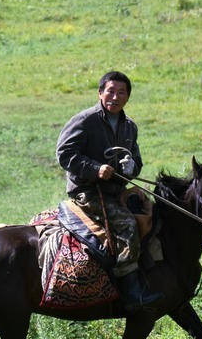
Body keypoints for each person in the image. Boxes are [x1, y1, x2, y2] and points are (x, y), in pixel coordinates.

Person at [56, 70, 163, 310]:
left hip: (116, 191)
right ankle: (130, 290)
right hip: (87, 191)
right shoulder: (85, 120)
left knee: (153, 215)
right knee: (127, 223)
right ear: (100, 93)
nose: (115, 97)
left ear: (128, 97)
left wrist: (132, 167)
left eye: (121, 92)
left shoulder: (129, 127)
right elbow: (64, 154)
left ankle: (150, 274)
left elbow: (136, 160)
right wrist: (95, 169)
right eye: (110, 91)